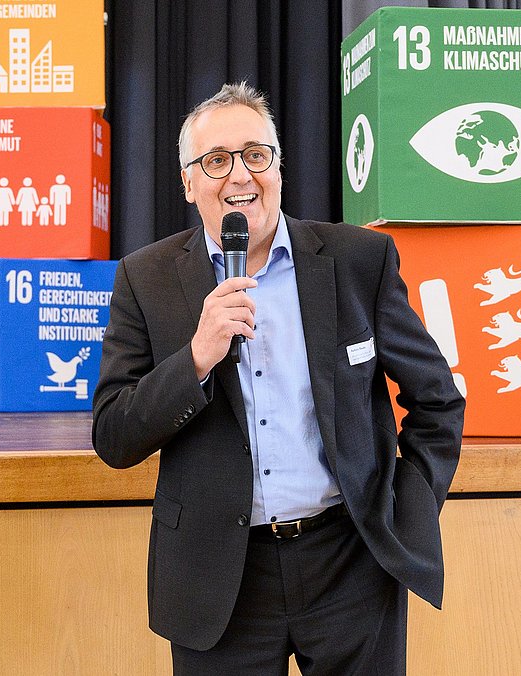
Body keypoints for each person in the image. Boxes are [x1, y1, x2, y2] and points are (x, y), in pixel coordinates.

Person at [92, 83, 464, 674]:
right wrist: (195, 358)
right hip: (219, 578)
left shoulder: (357, 260)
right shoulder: (147, 278)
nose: (240, 175)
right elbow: (114, 435)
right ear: (188, 183)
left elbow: (437, 398)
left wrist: (405, 505)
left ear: (278, 168)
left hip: (349, 564)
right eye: (216, 160)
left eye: (255, 155)